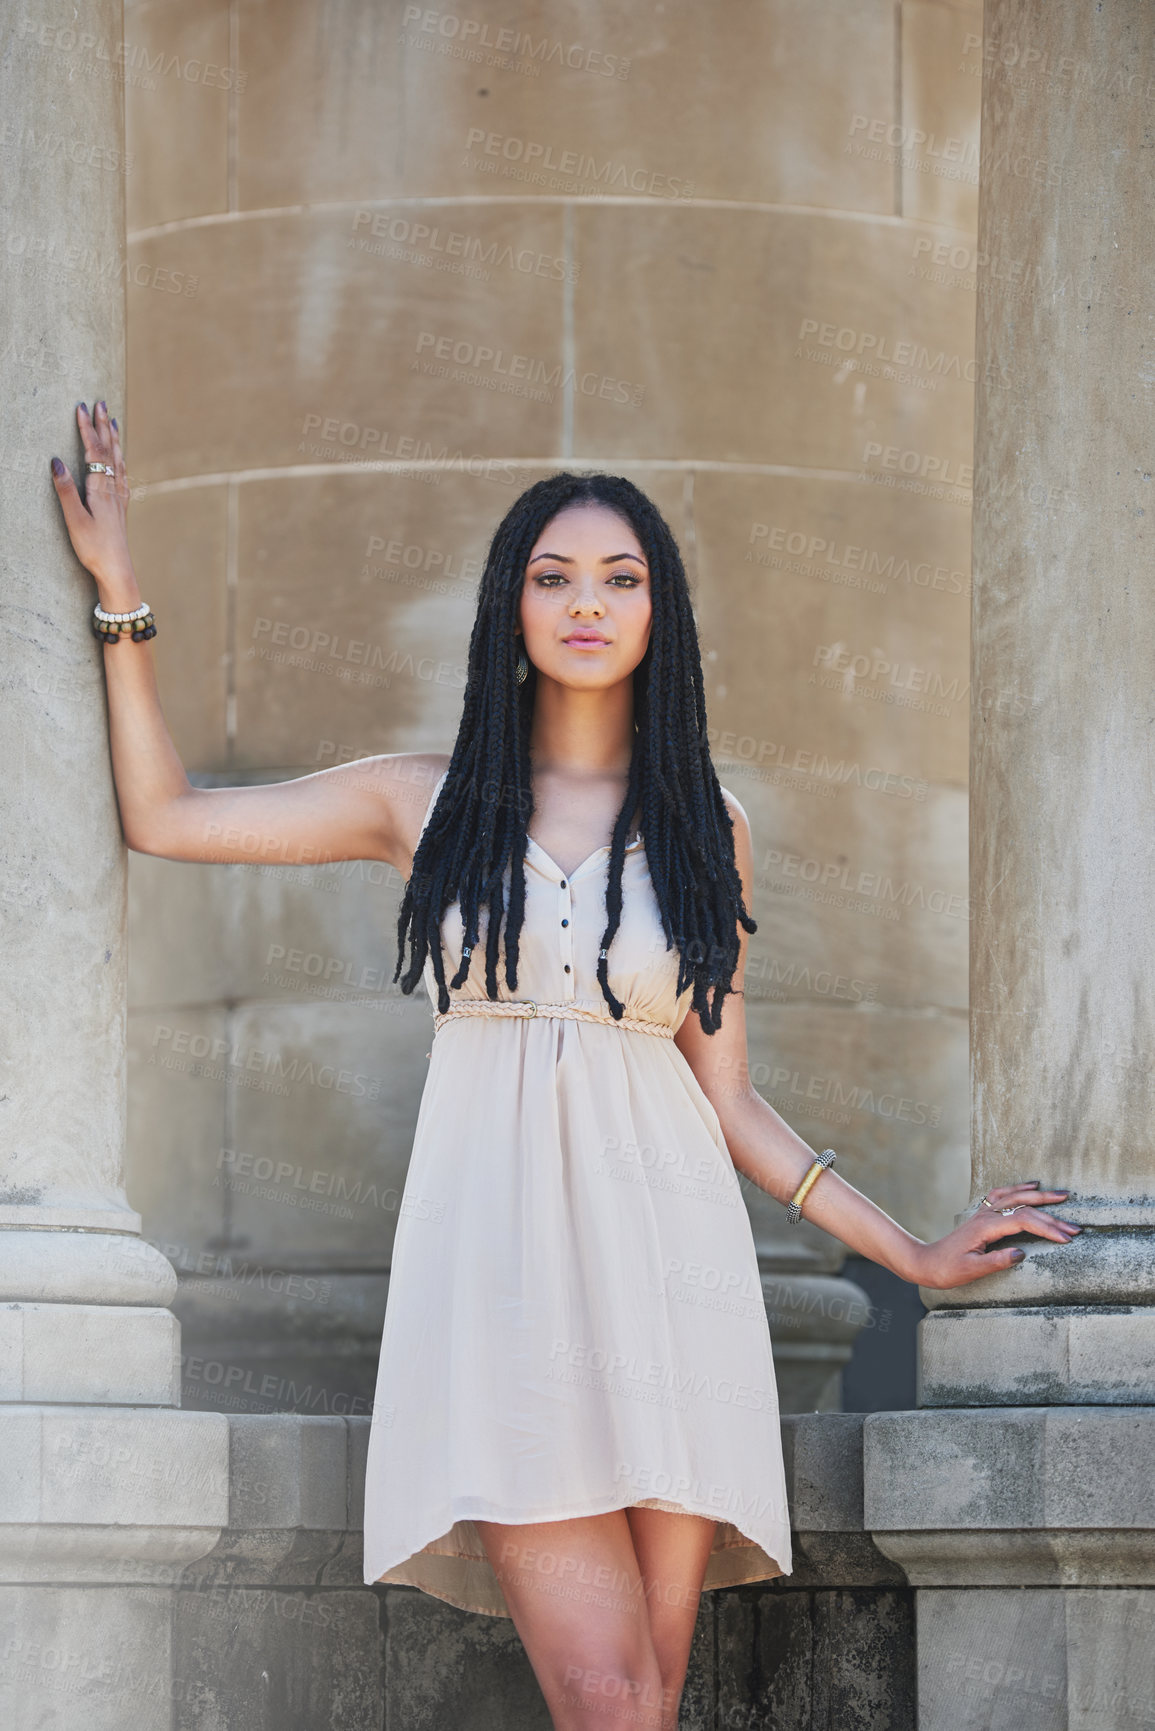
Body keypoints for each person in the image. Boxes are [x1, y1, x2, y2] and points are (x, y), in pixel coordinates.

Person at [52, 403, 1080, 1731]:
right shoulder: (420, 802)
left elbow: (731, 1104)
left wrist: (918, 1258)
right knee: (605, 1696)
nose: (587, 603)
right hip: (505, 1289)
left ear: (660, 613)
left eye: (621, 578)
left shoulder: (709, 826)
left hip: (675, 1283)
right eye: (553, 577)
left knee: (646, 1704)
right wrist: (124, 599)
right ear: (510, 610)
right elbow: (167, 818)